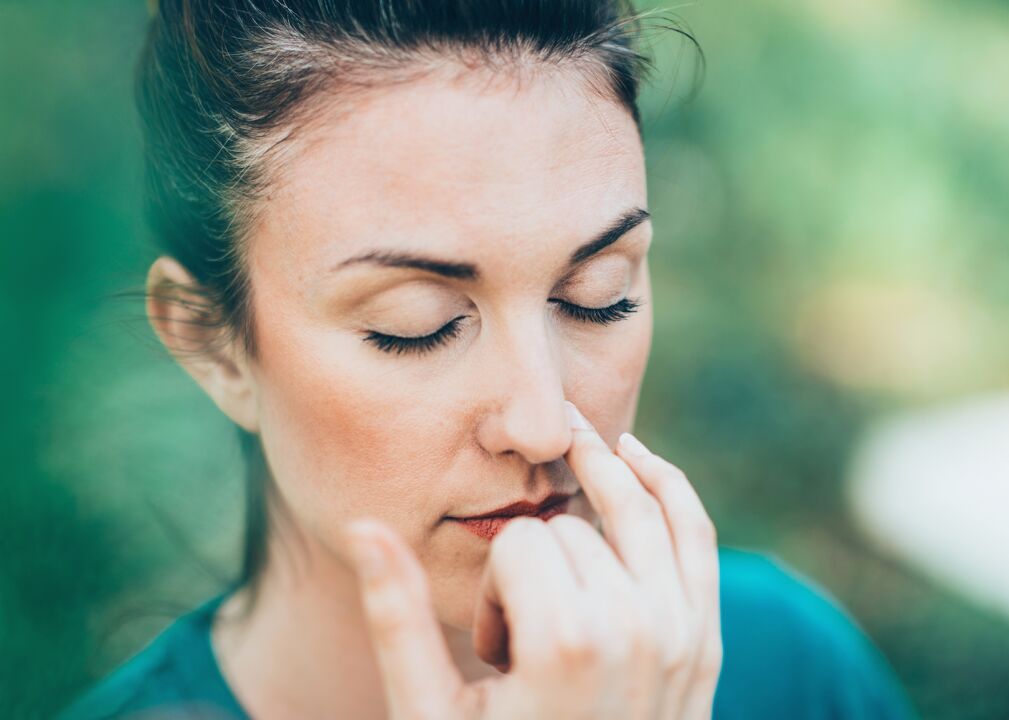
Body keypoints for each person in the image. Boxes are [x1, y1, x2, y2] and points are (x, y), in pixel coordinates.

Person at [61, 1, 919, 718]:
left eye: (598, 295)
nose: (543, 424)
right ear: (214, 345)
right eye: (416, 324)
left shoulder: (785, 667)